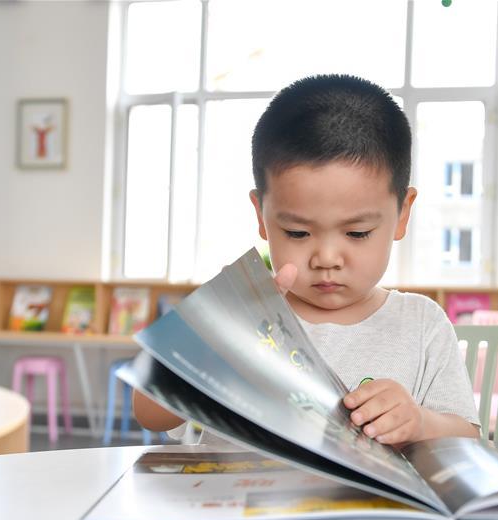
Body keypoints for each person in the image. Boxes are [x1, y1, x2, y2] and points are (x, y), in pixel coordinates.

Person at [134, 73, 479, 446]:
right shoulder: (242, 312)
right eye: (298, 233)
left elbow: (468, 437)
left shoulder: (422, 325)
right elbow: (148, 413)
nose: (326, 258)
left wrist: (421, 423)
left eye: (357, 233)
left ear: (402, 214)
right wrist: (215, 340)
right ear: (261, 215)